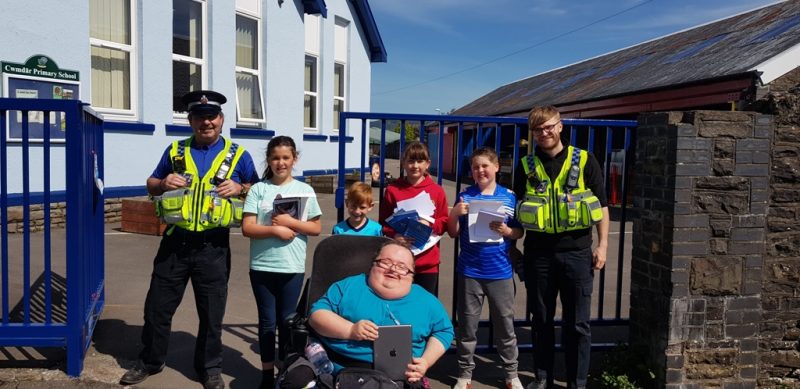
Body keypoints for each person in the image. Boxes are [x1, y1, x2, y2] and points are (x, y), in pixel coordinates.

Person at [120, 90, 260, 389]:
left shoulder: (239, 155)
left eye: (212, 117)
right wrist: (162, 182)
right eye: (199, 117)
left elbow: (259, 192)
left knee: (212, 314)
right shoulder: (175, 151)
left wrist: (241, 187)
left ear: (221, 120)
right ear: (191, 120)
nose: (206, 123)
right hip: (175, 245)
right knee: (157, 308)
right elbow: (151, 183)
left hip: (214, 247)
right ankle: (150, 361)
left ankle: (209, 368)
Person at [513, 106, 609, 389]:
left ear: (560, 126)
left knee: (578, 324)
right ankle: (542, 377)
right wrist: (512, 246)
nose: (544, 133)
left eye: (549, 127)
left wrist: (602, 246)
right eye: (538, 129)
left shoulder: (585, 160)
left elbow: (602, 207)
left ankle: (577, 381)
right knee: (541, 320)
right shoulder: (525, 165)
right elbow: (514, 211)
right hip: (538, 254)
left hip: (577, 253)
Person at [308, 240, 454, 388]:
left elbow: (444, 331)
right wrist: (350, 330)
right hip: (342, 370)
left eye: (402, 267)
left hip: (401, 376)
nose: (393, 270)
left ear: (411, 275)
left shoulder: (426, 301)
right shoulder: (349, 286)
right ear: (373, 264)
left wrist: (426, 361)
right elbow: (317, 315)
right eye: (386, 262)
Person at [241, 135, 322, 389]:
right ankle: (266, 375)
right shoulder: (258, 189)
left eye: (286, 157)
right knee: (267, 323)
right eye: (275, 158)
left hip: (291, 267)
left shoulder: (304, 190)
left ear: (294, 159)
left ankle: (288, 373)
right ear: (268, 160)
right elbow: (247, 228)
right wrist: (275, 231)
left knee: (288, 323)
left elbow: (316, 227)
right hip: (263, 266)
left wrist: (291, 223)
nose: (280, 162)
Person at [447, 147, 525, 389]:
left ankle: (511, 374)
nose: (480, 170)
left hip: (500, 271)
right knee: (468, 327)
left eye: (484, 166)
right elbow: (452, 233)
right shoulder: (465, 197)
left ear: (496, 167)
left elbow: (520, 231)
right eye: (475, 167)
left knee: (505, 326)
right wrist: (454, 214)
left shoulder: (510, 197)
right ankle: (465, 374)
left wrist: (508, 231)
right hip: (470, 271)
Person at [379, 141, 449, 296]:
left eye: (420, 161)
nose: (415, 166)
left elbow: (444, 222)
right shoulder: (393, 190)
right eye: (410, 161)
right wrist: (395, 235)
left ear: (428, 164)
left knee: (425, 308)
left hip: (427, 263)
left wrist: (429, 224)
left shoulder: (437, 191)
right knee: (398, 303)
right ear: (403, 163)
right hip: (399, 261)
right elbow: (384, 223)